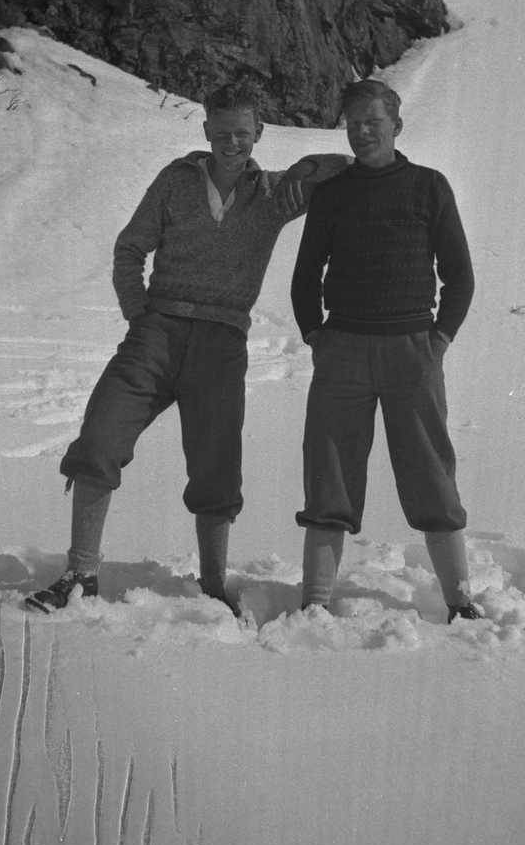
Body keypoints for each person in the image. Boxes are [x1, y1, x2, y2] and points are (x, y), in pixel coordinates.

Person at [26, 82, 349, 615]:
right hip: (156, 334)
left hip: (221, 344)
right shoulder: (176, 182)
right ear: (205, 131)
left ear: (259, 134)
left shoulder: (272, 196)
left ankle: (214, 587)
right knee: (100, 436)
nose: (231, 143)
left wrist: (338, 161)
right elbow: (130, 248)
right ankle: (80, 574)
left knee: (217, 467)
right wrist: (139, 314)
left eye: (243, 133)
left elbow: (334, 171)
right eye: (221, 132)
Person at [290, 79, 481, 623]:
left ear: (396, 125)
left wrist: (438, 339)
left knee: (430, 476)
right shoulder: (332, 194)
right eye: (352, 124)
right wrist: (315, 334)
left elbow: (460, 276)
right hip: (342, 350)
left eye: (373, 122)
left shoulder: (428, 187)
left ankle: (460, 602)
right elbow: (305, 278)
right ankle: (315, 604)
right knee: (328, 474)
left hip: (412, 351)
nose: (362, 132)